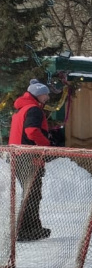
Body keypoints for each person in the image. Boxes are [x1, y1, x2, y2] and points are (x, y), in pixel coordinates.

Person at [8, 79, 52, 241]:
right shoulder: (34, 110)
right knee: (31, 194)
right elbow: (32, 131)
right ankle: (23, 231)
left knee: (33, 194)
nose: (47, 97)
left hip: (19, 155)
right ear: (38, 94)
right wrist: (46, 144)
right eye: (45, 94)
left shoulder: (22, 109)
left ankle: (33, 228)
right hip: (28, 156)